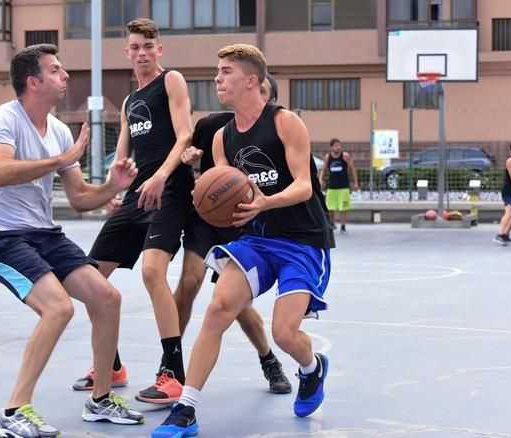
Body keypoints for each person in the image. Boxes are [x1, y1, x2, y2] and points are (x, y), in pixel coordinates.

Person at [152, 43, 334, 438]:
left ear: (252, 80)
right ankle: (186, 409)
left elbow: (304, 185)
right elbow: (224, 192)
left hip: (302, 241)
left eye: (226, 71)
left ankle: (311, 368)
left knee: (285, 333)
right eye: (218, 71)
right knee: (218, 310)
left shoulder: (286, 123)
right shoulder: (221, 139)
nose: (217, 78)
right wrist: (202, 185)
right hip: (255, 238)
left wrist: (266, 201)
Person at [0, 44, 143, 438]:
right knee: (58, 309)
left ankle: (100, 399)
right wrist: (60, 158)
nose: (65, 75)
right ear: (33, 82)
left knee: (107, 298)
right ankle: (13, 410)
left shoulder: (61, 129)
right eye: (55, 70)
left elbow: (81, 198)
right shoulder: (6, 119)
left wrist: (111, 188)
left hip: (42, 233)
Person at [71, 18, 194, 405]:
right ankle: (112, 366)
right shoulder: (128, 102)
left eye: (148, 46)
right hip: (136, 197)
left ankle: (172, 372)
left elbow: (186, 134)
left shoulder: (171, 80)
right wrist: (113, 188)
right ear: (127, 53)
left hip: (170, 191)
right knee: (90, 280)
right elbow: (122, 153)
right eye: (135, 47)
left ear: (159, 49)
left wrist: (159, 176)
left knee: (152, 271)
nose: (142, 53)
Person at [175, 73, 292, 394]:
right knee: (188, 283)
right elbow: (187, 157)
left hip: (244, 223)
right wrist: (191, 161)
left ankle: (269, 359)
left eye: (266, 93)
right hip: (208, 218)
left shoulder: (280, 132)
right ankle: (170, 366)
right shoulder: (213, 126)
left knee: (235, 304)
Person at [318, 138, 358, 234]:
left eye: (339, 145)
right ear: (331, 147)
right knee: (330, 207)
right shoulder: (328, 157)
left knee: (343, 208)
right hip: (332, 186)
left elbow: (352, 169)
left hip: (343, 186)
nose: (338, 147)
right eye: (336, 146)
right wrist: (320, 180)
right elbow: (323, 170)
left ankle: (343, 226)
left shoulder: (345, 156)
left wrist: (355, 182)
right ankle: (332, 223)